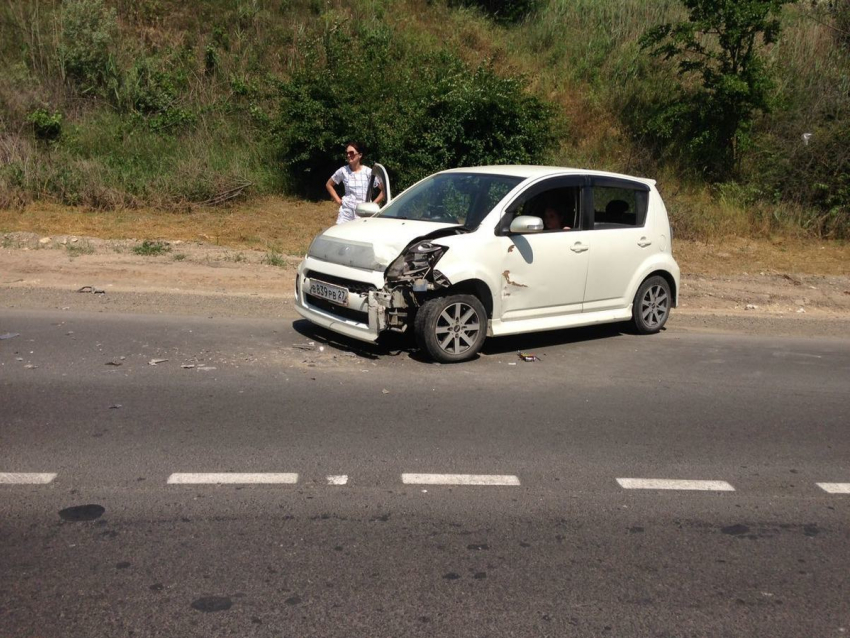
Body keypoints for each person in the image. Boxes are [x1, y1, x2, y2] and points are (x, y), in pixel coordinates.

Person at [325, 142, 384, 225]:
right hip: (346, 214)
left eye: (351, 153)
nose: (349, 155)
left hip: (363, 214)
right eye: (347, 153)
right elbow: (329, 184)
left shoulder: (368, 172)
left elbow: (384, 190)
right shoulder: (343, 171)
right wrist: (338, 201)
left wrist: (372, 204)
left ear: (360, 155)